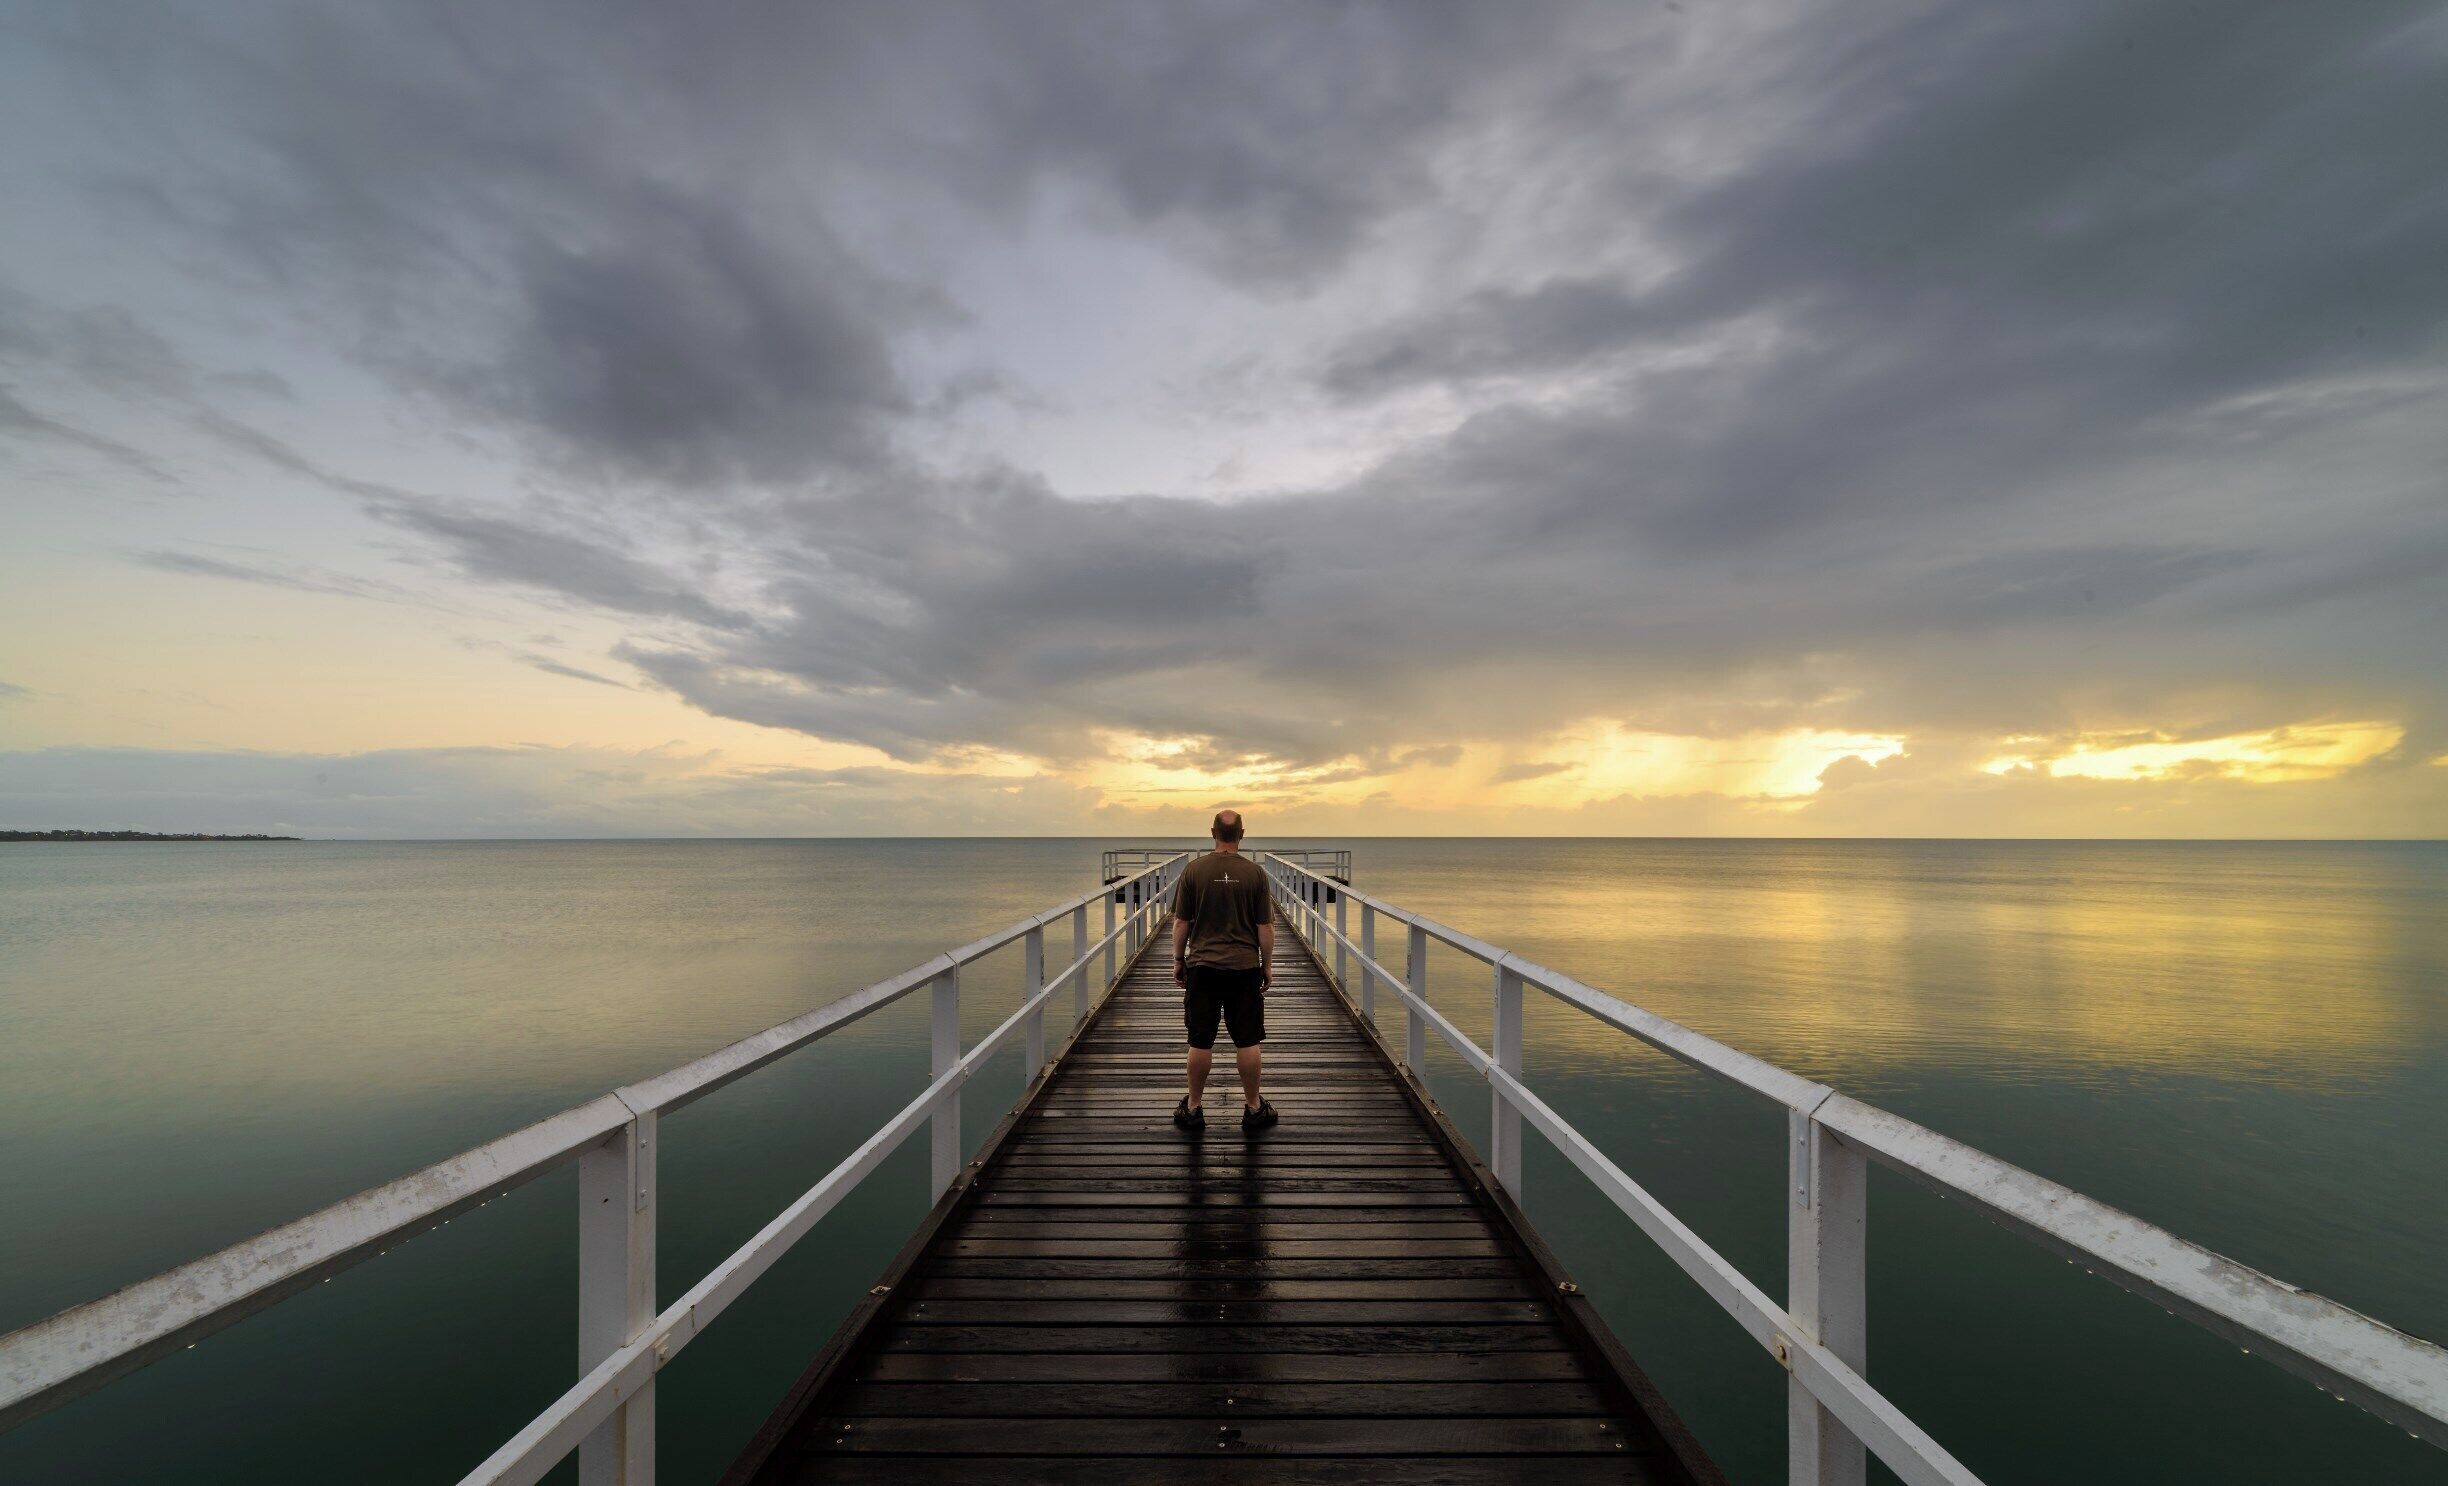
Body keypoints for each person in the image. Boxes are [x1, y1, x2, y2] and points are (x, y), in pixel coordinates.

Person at [1169, 809, 1277, 1133]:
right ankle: (1254, 1109)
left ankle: (1193, 1108)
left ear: (1212, 833)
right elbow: (1266, 927)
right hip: (1244, 968)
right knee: (1247, 1040)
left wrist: (1178, 960)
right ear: (1241, 834)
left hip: (1202, 967)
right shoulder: (1256, 874)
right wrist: (1266, 965)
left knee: (1200, 1041)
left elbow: (1180, 923)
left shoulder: (1193, 872)